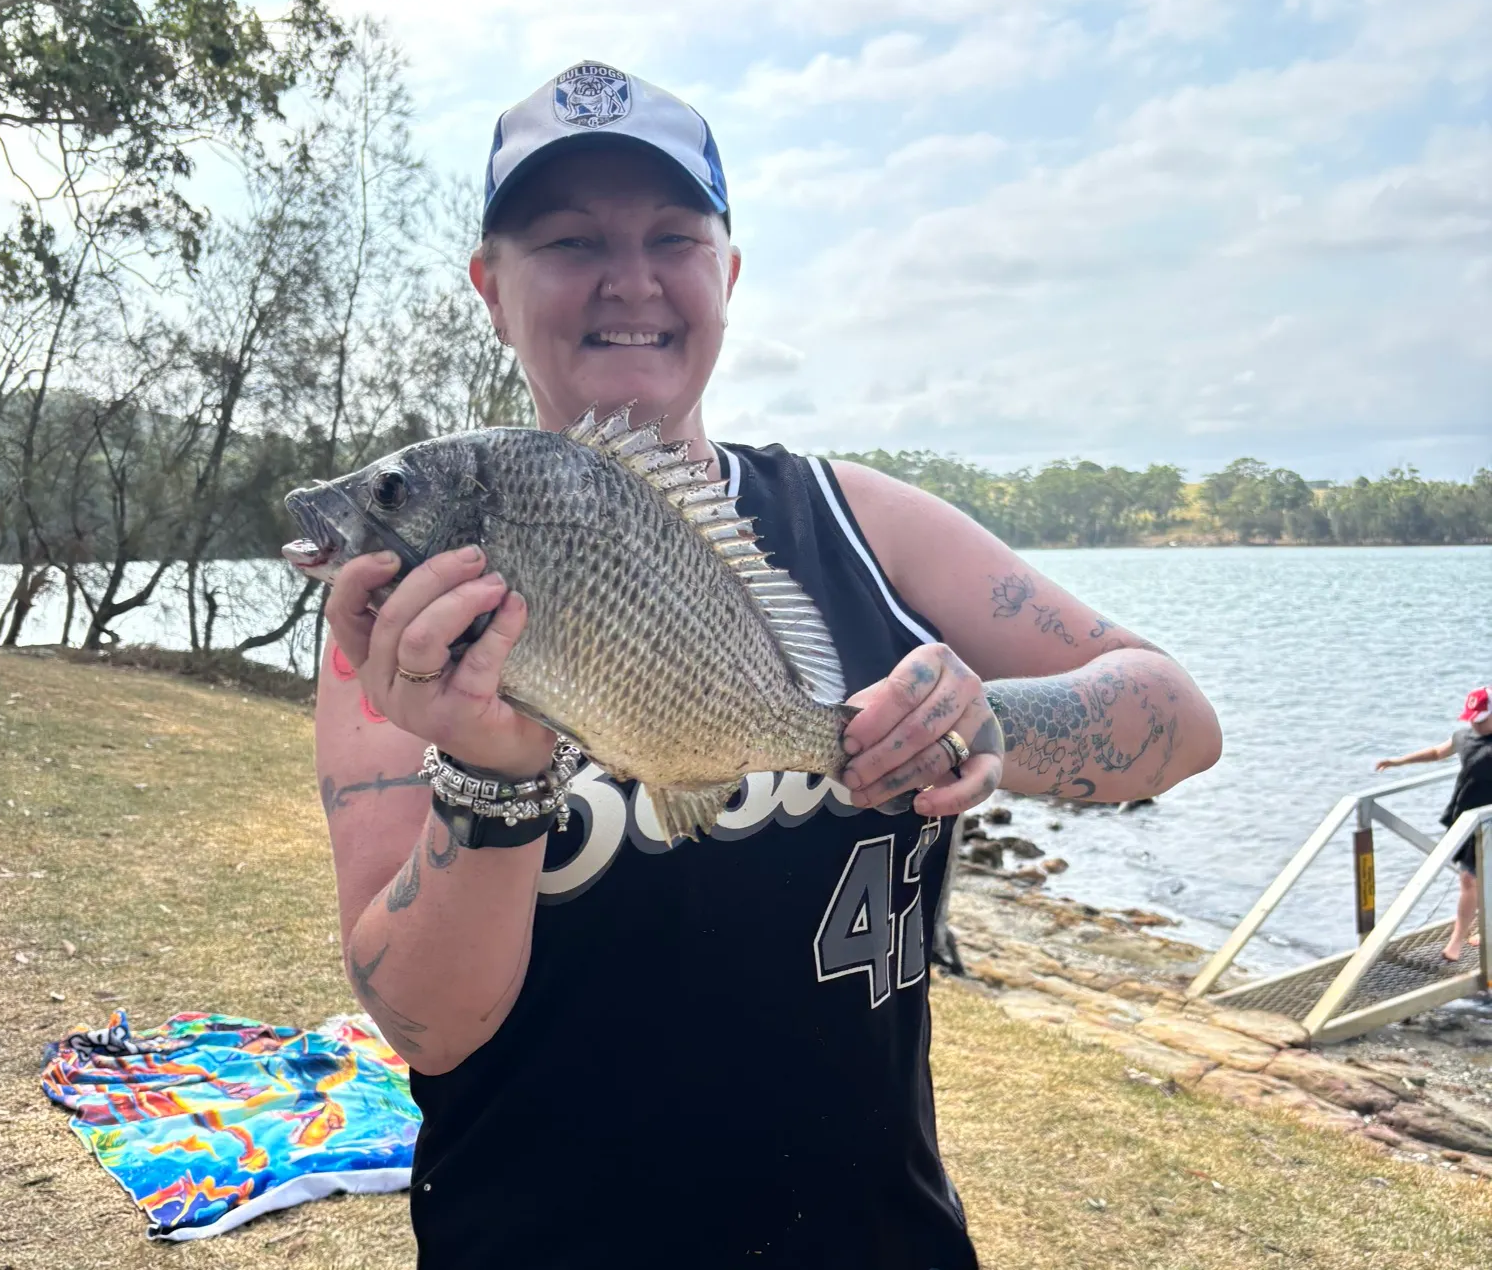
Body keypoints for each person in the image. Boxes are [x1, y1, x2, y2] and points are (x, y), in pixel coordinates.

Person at [316, 62, 1223, 1269]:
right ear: (493, 289)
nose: (628, 278)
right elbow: (428, 1025)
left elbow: (1178, 716)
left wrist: (988, 724)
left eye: (673, 237)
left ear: (727, 275)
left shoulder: (863, 523)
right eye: (571, 238)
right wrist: (491, 777)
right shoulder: (396, 625)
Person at [1376, 687, 1492, 962]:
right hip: (1468, 821)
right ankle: (1468, 934)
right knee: (1470, 880)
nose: (1475, 723)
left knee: (1475, 879)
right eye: (1473, 717)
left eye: (1482, 718)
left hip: (1490, 820)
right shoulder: (1463, 737)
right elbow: (1437, 752)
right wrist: (1398, 761)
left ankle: (1464, 936)